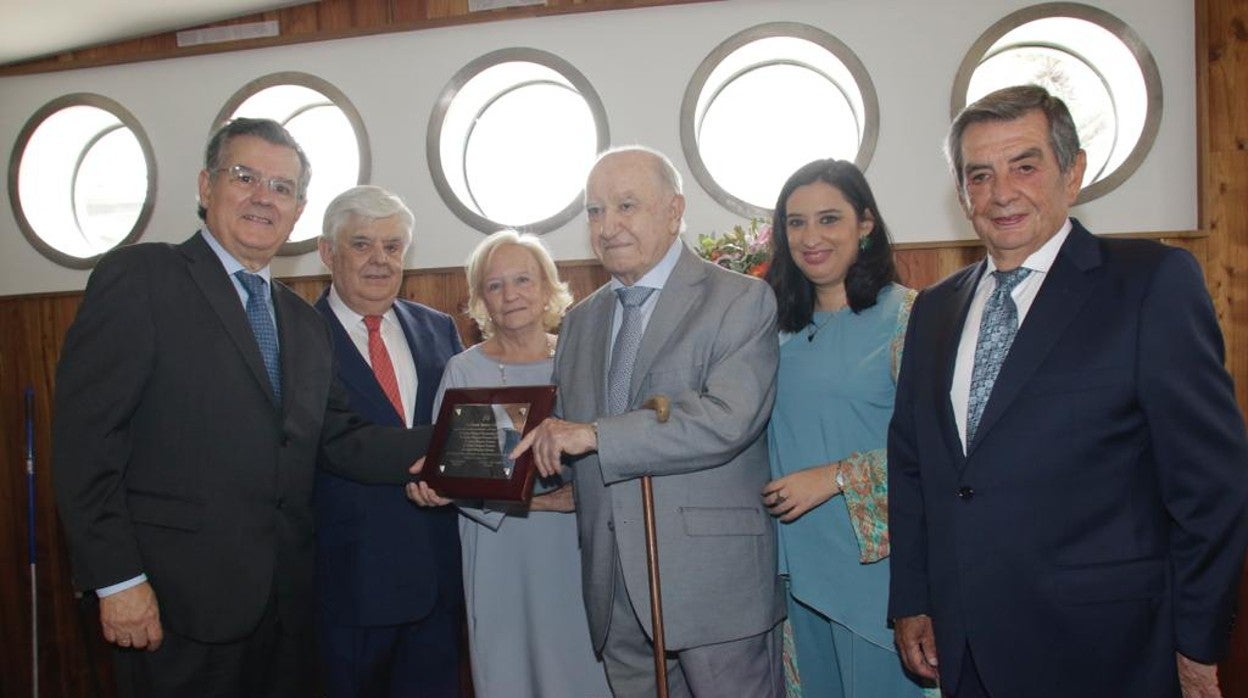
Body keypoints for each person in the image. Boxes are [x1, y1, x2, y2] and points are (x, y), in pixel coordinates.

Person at [887, 84, 1248, 698]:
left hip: (1110, 648)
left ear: (1072, 172)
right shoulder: (936, 309)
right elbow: (914, 465)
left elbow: (1212, 487)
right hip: (966, 643)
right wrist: (914, 600)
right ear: (961, 194)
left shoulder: (1149, 285)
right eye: (980, 175)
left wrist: (1198, 643)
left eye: (1024, 166)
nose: (1002, 192)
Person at [52, 118, 430, 698]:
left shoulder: (303, 322)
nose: (264, 197)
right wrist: (117, 580)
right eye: (245, 176)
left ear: (298, 210)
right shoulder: (143, 278)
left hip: (285, 613)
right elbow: (86, 443)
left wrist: (458, 444)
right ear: (206, 187)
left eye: (282, 187)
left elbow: (341, 440)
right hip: (174, 609)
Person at [512, 146, 786, 697]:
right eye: (594, 211)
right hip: (613, 590)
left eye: (626, 205)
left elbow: (727, 419)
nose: (607, 226)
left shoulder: (741, 300)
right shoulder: (581, 321)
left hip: (713, 589)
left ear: (674, 210)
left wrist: (595, 434)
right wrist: (467, 474)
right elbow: (565, 451)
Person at [407, 229, 611, 698]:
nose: (511, 294)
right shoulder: (465, 370)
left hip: (578, 547)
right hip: (497, 549)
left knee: (584, 671)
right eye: (495, 285)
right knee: (508, 671)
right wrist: (542, 505)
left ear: (547, 288)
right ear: (481, 299)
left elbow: (608, 445)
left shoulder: (582, 358)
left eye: (523, 279)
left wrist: (576, 499)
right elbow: (456, 474)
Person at [761, 159, 928, 697]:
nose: (811, 237)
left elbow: (937, 451)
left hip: (872, 563)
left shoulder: (909, 318)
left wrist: (835, 476)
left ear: (866, 224)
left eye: (829, 219)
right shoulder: (772, 329)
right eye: (796, 222)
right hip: (792, 565)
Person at [313, 185, 464, 697]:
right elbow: (333, 443)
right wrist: (460, 441)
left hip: (438, 581)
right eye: (361, 245)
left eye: (393, 246)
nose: (380, 260)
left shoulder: (439, 328)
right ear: (327, 253)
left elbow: (466, 412)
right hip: (347, 587)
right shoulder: (299, 337)